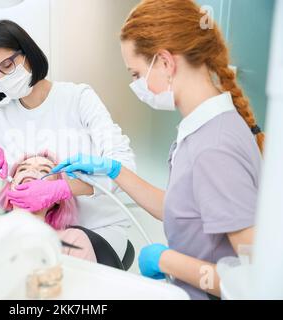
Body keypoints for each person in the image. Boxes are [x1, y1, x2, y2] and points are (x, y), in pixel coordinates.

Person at [53, 0, 263, 299]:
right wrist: (115, 171)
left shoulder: (215, 148)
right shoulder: (204, 129)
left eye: (136, 74)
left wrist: (167, 261)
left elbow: (256, 280)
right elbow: (185, 211)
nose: (135, 85)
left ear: (165, 62)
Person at [0, 20, 136, 262]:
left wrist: (63, 188)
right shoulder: (0, 118)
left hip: (98, 231)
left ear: (27, 53)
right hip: (35, 234)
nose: (2, 77)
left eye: (7, 64)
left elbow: (125, 169)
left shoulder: (78, 99)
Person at [0, 151, 96, 262]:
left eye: (44, 171)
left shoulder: (73, 240)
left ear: (58, 196)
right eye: (23, 169)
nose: (31, 171)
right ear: (10, 186)